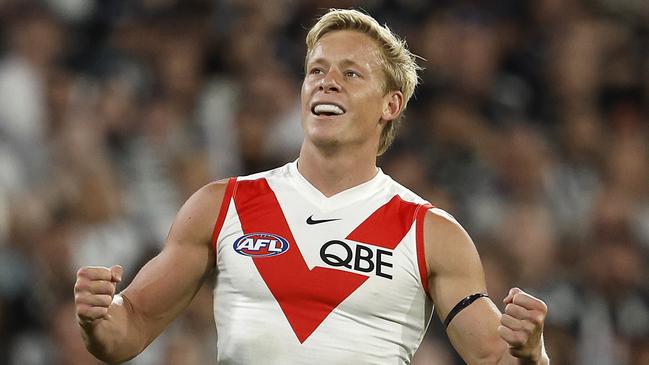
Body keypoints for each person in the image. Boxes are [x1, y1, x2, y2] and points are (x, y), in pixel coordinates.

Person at [74, 8, 550, 365]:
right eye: (317, 70)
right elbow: (130, 328)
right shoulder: (222, 206)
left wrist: (532, 354)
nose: (327, 83)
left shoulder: (430, 233)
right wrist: (99, 317)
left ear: (390, 104)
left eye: (350, 73)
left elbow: (494, 357)